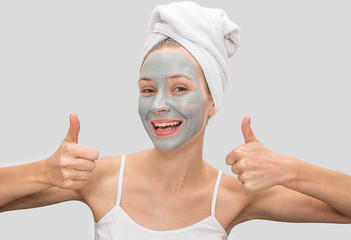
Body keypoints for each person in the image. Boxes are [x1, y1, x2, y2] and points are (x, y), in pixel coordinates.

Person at [0, 1, 350, 239]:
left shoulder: (232, 196)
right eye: (148, 90)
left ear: (212, 101)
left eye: (180, 88)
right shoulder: (100, 178)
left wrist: (291, 170)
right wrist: (42, 172)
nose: (159, 106)